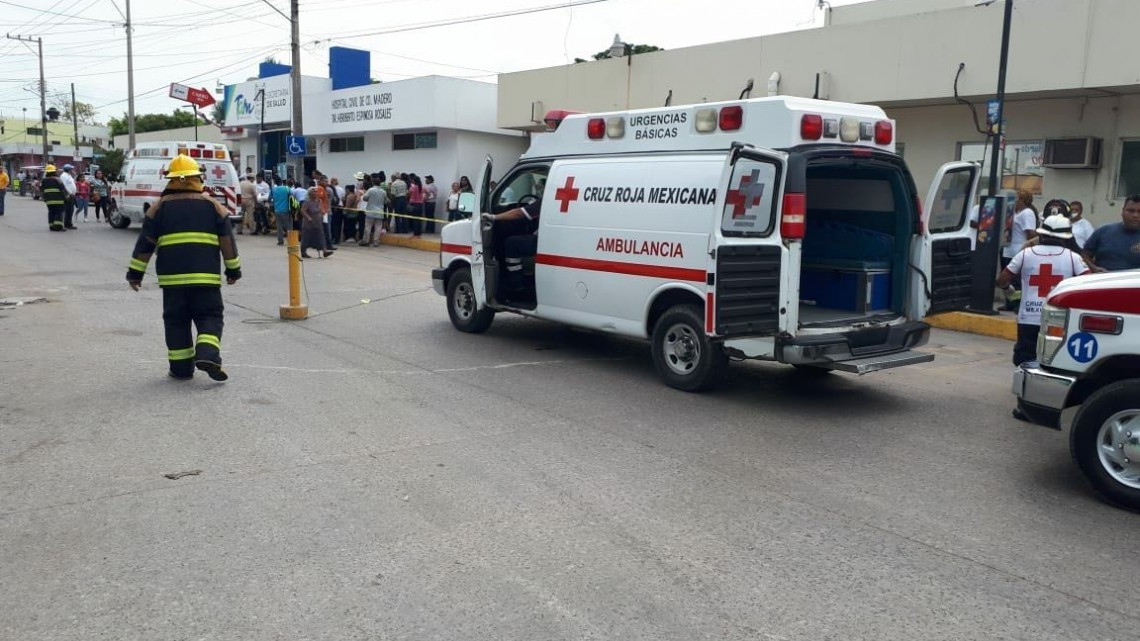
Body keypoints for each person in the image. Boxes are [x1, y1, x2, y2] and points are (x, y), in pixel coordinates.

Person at [125, 154, 241, 382]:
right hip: (205, 278)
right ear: (197, 178)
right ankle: (207, 354)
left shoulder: (158, 208)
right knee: (210, 316)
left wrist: (135, 274)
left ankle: (181, 370)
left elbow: (145, 244)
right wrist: (233, 270)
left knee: (176, 322)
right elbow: (227, 241)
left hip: (172, 281)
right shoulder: (213, 206)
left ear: (171, 180)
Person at [997, 214, 1089, 368]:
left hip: (1028, 318)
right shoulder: (1073, 257)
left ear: (1041, 233)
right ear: (1066, 237)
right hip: (1058, 318)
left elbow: (1002, 280)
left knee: (1025, 359)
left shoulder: (1025, 254)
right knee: (1055, 359)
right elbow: (1088, 281)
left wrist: (1008, 290)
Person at [482, 193, 542, 292]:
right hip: (553, 239)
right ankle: (528, 273)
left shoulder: (548, 199)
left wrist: (493, 217)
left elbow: (519, 214)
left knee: (512, 243)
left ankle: (516, 282)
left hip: (543, 241)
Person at [1082, 194, 1140, 272]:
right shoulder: (1103, 231)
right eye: (1131, 211)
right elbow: (1084, 255)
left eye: (1139, 212)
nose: (1135, 215)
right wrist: (1094, 268)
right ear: (1122, 211)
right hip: (1105, 279)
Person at [1000, 190, 1038, 310]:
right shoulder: (1015, 213)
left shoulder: (1027, 213)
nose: (1015, 201)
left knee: (1016, 280)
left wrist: (1028, 249)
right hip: (1008, 250)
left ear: (1023, 201)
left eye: (1018, 199)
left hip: (1018, 250)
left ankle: (1017, 303)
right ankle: (1009, 302)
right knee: (1007, 280)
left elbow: (1030, 233)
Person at [299, 187, 332, 258]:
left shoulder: (319, 201)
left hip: (318, 221)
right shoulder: (307, 202)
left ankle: (324, 251)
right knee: (306, 237)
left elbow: (321, 209)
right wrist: (308, 217)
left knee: (320, 236)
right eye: (314, 191)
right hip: (309, 223)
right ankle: (303, 252)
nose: (315, 193)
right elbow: (302, 211)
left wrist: (323, 212)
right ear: (310, 194)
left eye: (316, 192)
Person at [362, 177, 388, 246]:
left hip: (370, 211)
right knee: (378, 227)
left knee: (368, 227)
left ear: (373, 183)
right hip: (380, 212)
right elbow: (386, 201)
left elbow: (365, 198)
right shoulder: (383, 191)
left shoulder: (370, 190)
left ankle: (366, 241)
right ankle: (376, 242)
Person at [40, 165, 66, 232]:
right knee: (59, 212)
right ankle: (58, 227)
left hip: (49, 200)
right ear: (54, 172)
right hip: (59, 200)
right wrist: (67, 197)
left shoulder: (44, 180)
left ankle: (51, 226)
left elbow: (41, 190)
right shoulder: (57, 179)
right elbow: (63, 190)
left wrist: (44, 198)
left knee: (51, 212)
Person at [271, 177, 292, 245]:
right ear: (281, 182)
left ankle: (280, 240)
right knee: (288, 226)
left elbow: (269, 198)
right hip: (286, 210)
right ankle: (290, 240)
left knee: (279, 226)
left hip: (277, 210)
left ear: (275, 182)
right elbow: (292, 196)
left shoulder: (273, 189)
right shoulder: (286, 188)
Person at [60, 164, 78, 229]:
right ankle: (66, 224)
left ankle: (69, 223)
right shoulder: (64, 176)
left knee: (71, 210)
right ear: (68, 169)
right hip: (68, 195)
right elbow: (64, 186)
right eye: (71, 169)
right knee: (67, 210)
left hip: (72, 195)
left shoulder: (69, 175)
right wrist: (68, 194)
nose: (72, 170)